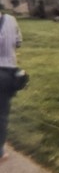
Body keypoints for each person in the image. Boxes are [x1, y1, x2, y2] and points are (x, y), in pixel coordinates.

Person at [0, 10, 22, 162]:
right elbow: (18, 42)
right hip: (8, 74)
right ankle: (0, 150)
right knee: (2, 114)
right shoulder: (12, 20)